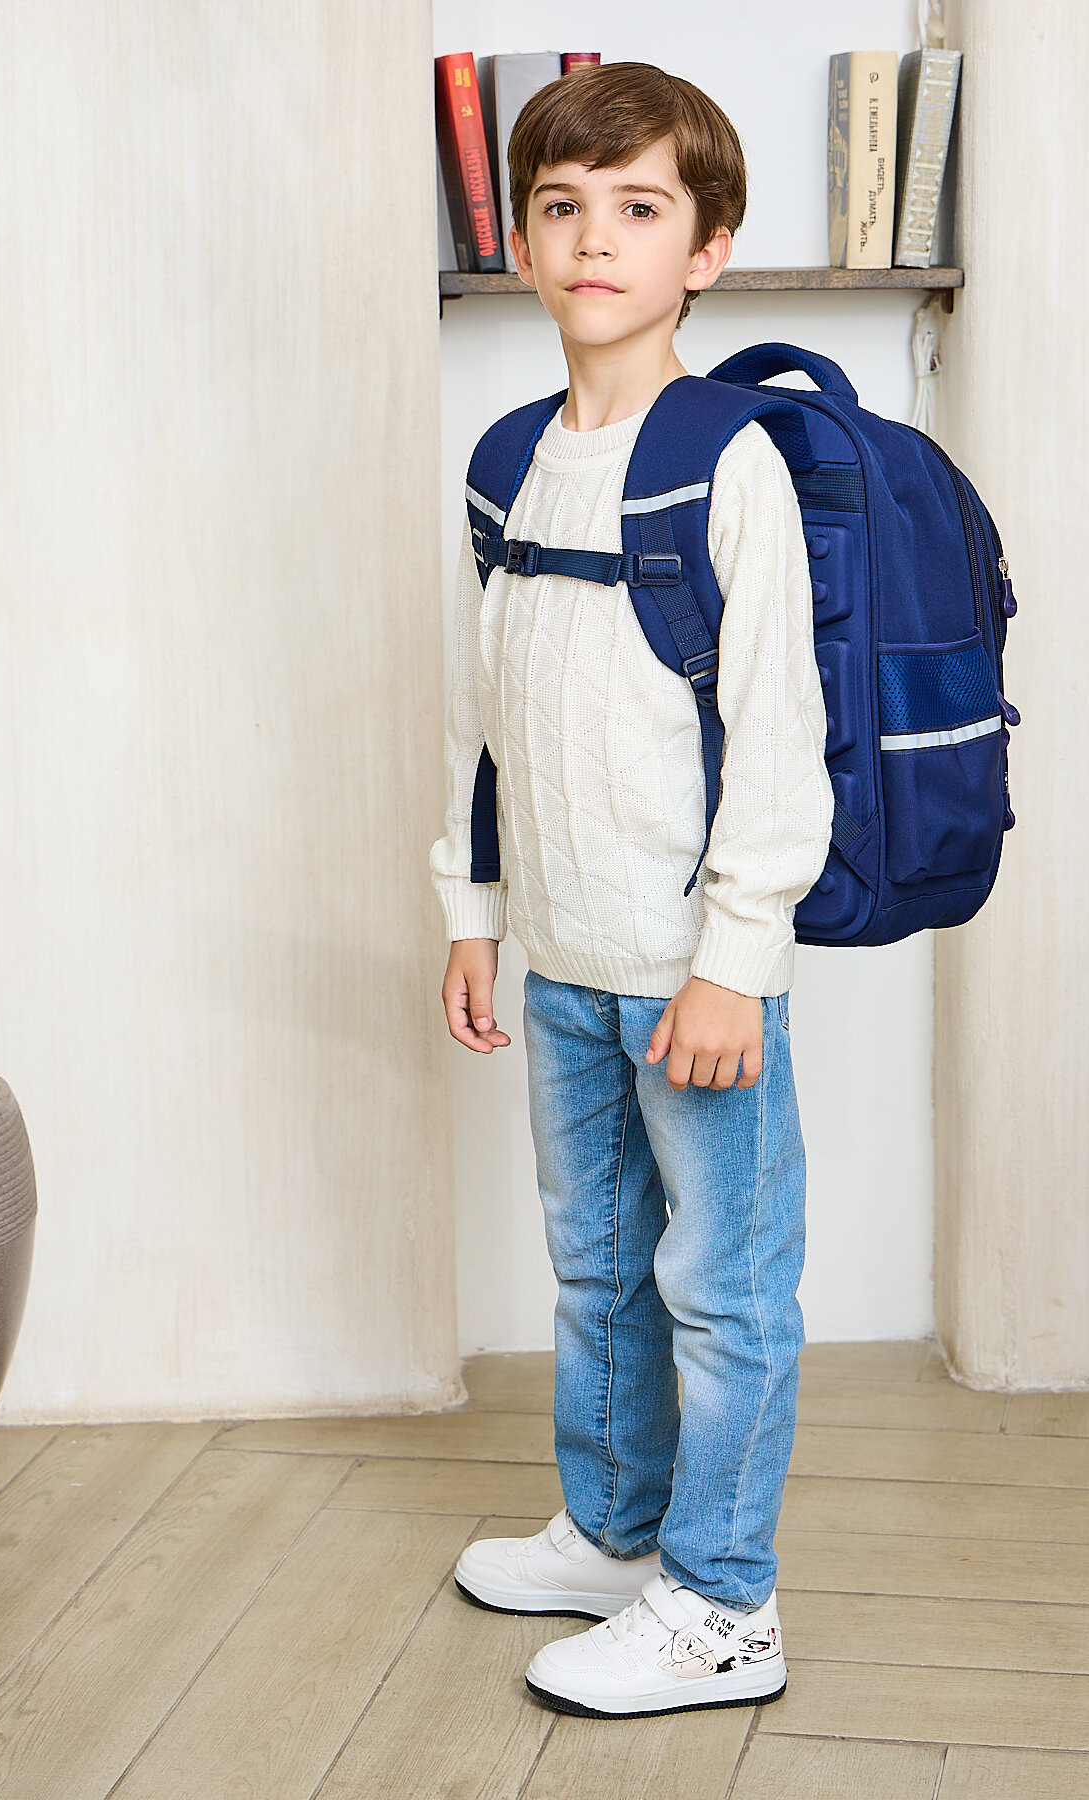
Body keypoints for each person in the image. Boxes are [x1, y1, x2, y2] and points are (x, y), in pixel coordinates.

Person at [428, 60, 832, 1720]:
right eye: (562, 207)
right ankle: (613, 1539)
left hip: (691, 981)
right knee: (596, 1271)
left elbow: (781, 735)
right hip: (563, 962)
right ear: (521, 241)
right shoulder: (506, 460)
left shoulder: (724, 460)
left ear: (705, 250)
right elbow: (480, 718)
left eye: (639, 208)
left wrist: (735, 959)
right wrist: (474, 917)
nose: (595, 238)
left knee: (721, 1298)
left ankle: (725, 1604)